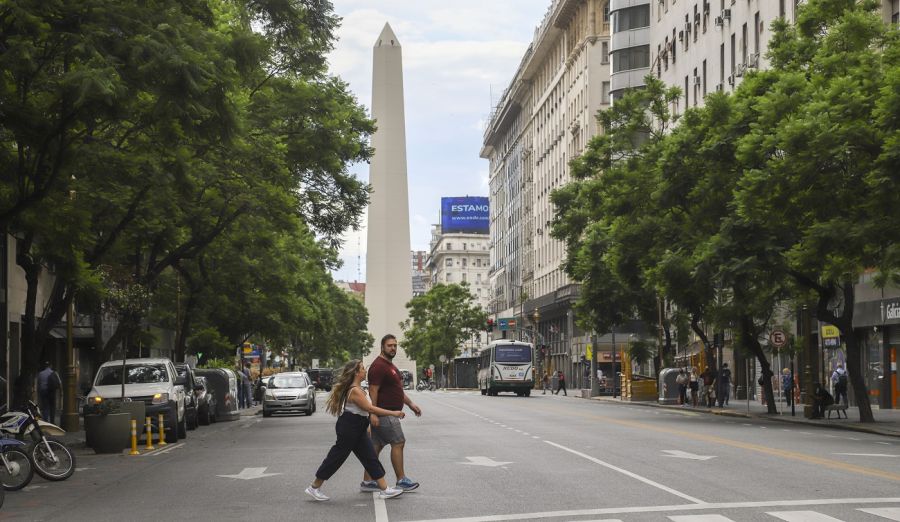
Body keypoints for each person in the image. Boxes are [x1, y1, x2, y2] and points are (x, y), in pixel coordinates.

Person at [305, 360, 405, 502]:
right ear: (357, 373)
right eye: (363, 369)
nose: (365, 371)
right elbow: (369, 409)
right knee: (336, 457)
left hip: (357, 426)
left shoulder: (358, 388)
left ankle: (385, 489)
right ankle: (314, 487)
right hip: (349, 427)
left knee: (370, 457)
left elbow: (364, 413)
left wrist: (366, 425)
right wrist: (393, 413)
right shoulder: (355, 391)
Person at [361, 334, 422, 493]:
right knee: (398, 442)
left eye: (395, 345)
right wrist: (372, 413)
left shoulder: (390, 366)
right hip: (386, 414)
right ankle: (401, 479)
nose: (393, 348)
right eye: (390, 345)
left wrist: (410, 404)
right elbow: (373, 390)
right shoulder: (378, 366)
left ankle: (367, 481)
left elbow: (397, 391)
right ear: (382, 347)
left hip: (387, 413)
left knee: (376, 447)